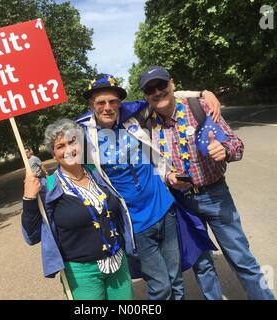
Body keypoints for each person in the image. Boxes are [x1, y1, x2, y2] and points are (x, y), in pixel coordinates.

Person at [77, 74, 220, 300]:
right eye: (100, 102)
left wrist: (202, 93)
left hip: (165, 210)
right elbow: (72, 170)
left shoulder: (131, 116)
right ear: (91, 105)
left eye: (113, 101)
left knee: (176, 280)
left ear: (119, 102)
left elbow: (162, 97)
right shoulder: (83, 135)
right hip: (136, 225)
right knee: (160, 287)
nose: (107, 107)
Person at [138, 65, 275, 300]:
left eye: (161, 85)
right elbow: (151, 165)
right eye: (150, 89)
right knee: (202, 266)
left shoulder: (198, 107)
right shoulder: (147, 124)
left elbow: (236, 144)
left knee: (241, 258)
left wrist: (225, 150)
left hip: (215, 195)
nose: (157, 92)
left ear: (172, 84)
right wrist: (167, 177)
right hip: (181, 203)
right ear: (146, 95)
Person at [21, 119, 136, 300]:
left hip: (118, 263)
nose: (69, 149)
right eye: (60, 146)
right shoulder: (48, 188)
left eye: (72, 141)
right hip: (81, 273)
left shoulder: (98, 173)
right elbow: (31, 235)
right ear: (53, 153)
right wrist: (28, 198)